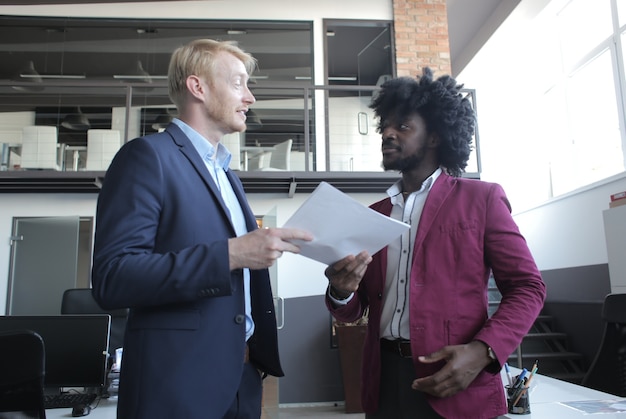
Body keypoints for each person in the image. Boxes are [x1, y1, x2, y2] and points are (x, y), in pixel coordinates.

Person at [91, 39, 312, 419]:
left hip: (242, 380)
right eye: (239, 83)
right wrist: (232, 254)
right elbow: (113, 278)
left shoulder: (229, 175)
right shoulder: (147, 157)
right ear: (198, 88)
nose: (251, 98)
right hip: (177, 388)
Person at [324, 67, 546, 419]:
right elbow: (356, 308)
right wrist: (341, 291)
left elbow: (528, 287)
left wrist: (483, 351)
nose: (388, 134)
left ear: (434, 137)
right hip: (383, 382)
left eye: (403, 126)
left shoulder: (482, 199)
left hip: (457, 379)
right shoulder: (374, 214)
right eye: (385, 127)